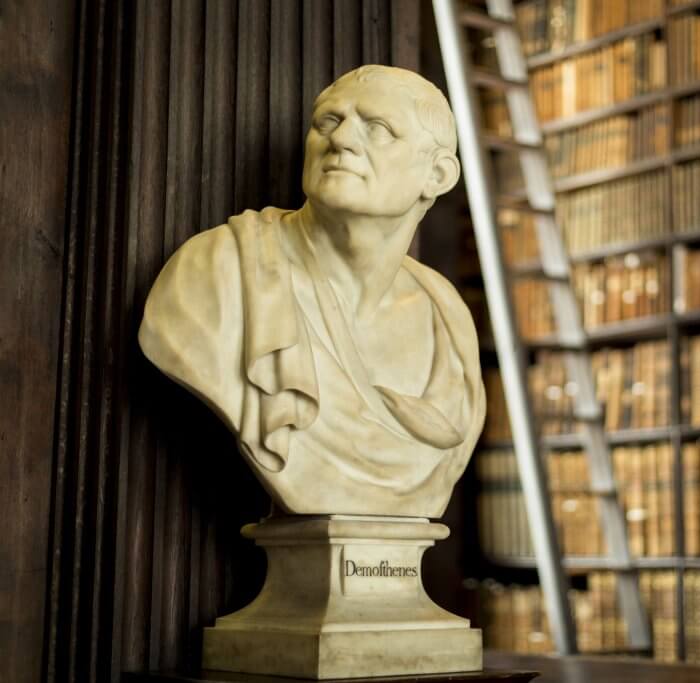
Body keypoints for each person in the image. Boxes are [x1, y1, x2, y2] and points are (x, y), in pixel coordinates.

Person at [139, 65, 484, 518]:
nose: (341, 140)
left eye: (377, 128)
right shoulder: (214, 272)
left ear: (437, 175)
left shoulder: (447, 316)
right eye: (328, 121)